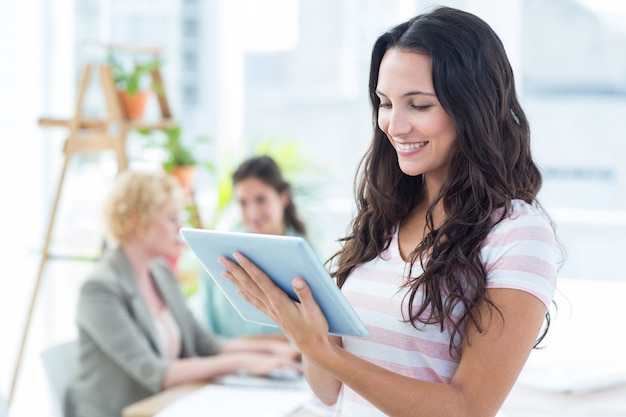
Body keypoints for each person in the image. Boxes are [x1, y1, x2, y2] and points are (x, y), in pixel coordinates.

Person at [218, 6, 559, 417]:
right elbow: (329, 392)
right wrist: (302, 332)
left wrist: (323, 352)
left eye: (418, 105)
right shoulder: (385, 218)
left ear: (473, 106)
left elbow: (468, 409)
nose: (394, 125)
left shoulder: (518, 234)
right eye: (384, 103)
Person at [66, 170, 301, 417]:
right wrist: (247, 363)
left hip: (169, 405)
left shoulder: (159, 272)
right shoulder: (99, 289)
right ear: (137, 220)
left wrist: (275, 352)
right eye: (170, 219)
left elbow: (206, 344)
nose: (179, 228)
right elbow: (157, 372)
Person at [199, 155, 308, 339]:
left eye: (261, 199)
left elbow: (314, 333)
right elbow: (206, 334)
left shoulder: (306, 256)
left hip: (288, 365)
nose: (252, 212)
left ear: (283, 197)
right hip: (227, 364)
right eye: (243, 202)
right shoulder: (219, 252)